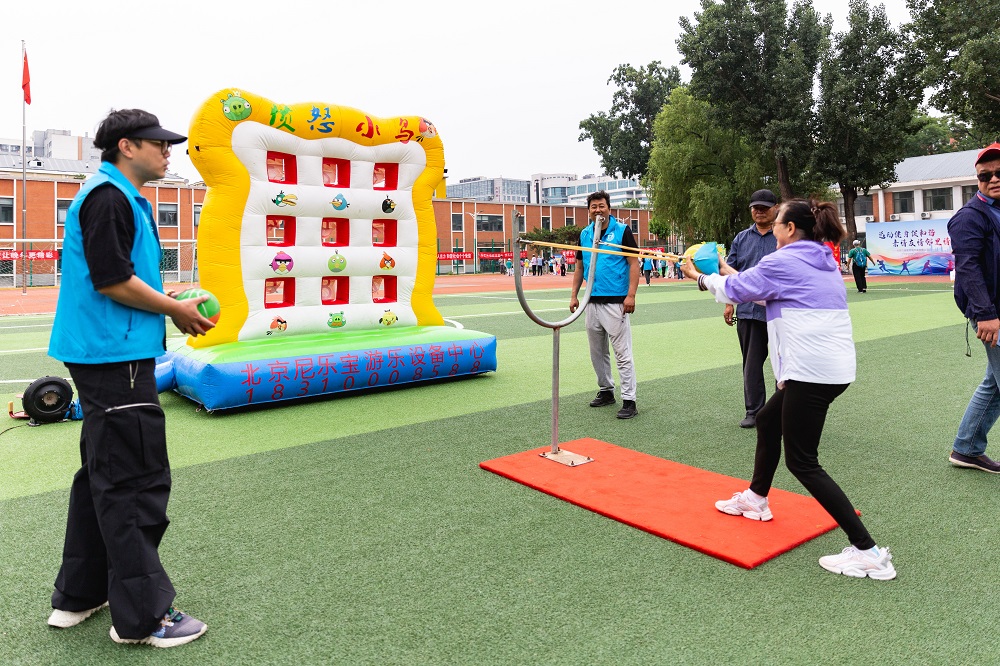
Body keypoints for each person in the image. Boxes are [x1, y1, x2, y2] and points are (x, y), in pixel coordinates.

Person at [47, 109, 216, 646]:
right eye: (158, 143)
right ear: (126, 146)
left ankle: (80, 595)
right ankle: (143, 618)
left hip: (108, 352)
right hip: (113, 356)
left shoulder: (118, 196)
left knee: (102, 473)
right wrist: (174, 309)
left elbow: (121, 275)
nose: (168, 152)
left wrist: (167, 298)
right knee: (134, 480)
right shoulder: (109, 197)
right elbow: (112, 280)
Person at [681, 198, 896, 580]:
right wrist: (723, 270)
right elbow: (761, 290)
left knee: (803, 462)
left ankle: (869, 552)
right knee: (767, 420)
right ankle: (756, 499)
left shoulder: (783, 261)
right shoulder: (819, 259)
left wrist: (698, 276)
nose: (774, 226)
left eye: (778, 221)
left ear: (790, 229)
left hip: (812, 372)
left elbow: (741, 289)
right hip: (830, 368)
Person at [947, 142, 1000, 474]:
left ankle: (966, 448)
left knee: (994, 384)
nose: (993, 179)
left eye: (999, 172)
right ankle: (966, 448)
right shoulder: (968, 218)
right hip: (991, 313)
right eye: (985, 175)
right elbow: (968, 269)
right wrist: (985, 315)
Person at [570, 190, 640, 419]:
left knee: (622, 353)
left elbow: (633, 263)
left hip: (616, 302)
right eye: (593, 207)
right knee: (597, 352)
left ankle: (629, 400)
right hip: (591, 302)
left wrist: (631, 295)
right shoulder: (585, 234)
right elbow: (579, 267)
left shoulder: (622, 231)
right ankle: (606, 390)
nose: (598, 210)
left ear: (609, 208)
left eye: (601, 206)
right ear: (588, 210)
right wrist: (574, 295)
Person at [724, 189, 779, 428]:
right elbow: (729, 272)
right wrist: (729, 303)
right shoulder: (741, 238)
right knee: (751, 365)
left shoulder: (784, 236)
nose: (760, 211)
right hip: (748, 312)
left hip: (779, 311)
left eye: (765, 207)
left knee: (783, 363)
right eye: (756, 207)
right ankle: (753, 412)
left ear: (776, 208)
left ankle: (781, 411)